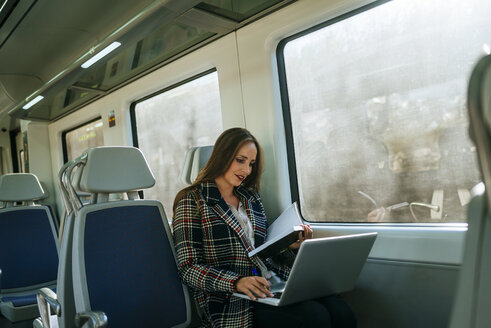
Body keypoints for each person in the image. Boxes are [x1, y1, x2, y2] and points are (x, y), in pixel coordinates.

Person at [172, 127, 356, 328]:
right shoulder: (192, 200)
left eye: (251, 164)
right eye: (240, 160)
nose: (246, 170)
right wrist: (237, 281)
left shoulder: (250, 198)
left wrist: (291, 246)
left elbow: (262, 250)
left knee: (341, 311)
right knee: (315, 317)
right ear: (222, 156)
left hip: (273, 284)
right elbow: (188, 268)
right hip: (233, 298)